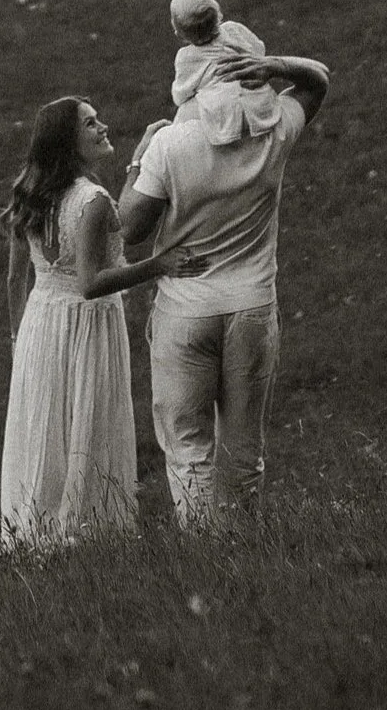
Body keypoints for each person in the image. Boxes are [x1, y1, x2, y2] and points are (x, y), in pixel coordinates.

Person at [119, 49, 330, 530]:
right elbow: (318, 81)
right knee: (242, 447)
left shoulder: (170, 145)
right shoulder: (273, 132)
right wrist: (276, 65)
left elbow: (130, 228)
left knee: (187, 442)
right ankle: (240, 542)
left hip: (185, 312)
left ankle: (202, 550)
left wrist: (138, 159)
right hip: (252, 308)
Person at [0, 97, 208, 548]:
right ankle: (86, 537)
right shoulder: (90, 201)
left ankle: (35, 539)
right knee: (87, 428)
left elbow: (17, 278)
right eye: (90, 124)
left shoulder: (29, 192)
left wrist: (20, 341)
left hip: (40, 325)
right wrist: (160, 264)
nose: (103, 127)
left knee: (46, 431)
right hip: (86, 327)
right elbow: (91, 284)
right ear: (69, 142)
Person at [168, 0, 271, 121]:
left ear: (180, 35)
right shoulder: (234, 29)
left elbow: (181, 94)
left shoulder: (187, 58)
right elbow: (259, 49)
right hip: (257, 97)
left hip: (225, 112)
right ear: (218, 15)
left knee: (182, 117)